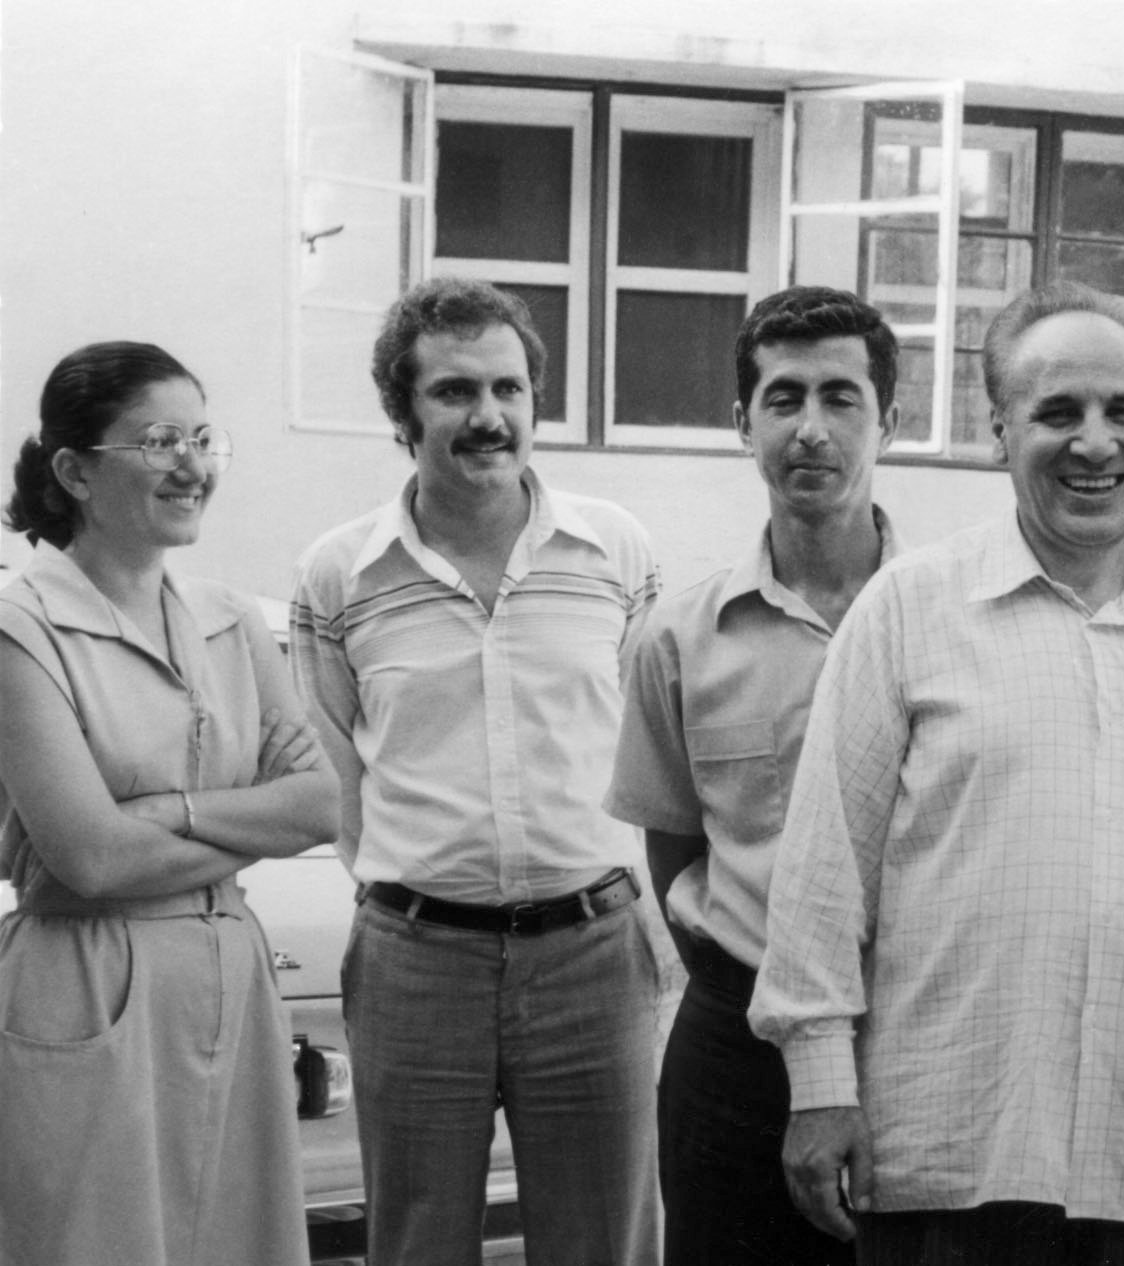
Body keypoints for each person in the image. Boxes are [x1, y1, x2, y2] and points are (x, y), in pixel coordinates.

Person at [749, 280, 1124, 1265]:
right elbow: (822, 875)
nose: (1094, 444)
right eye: (1057, 413)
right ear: (1000, 433)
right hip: (943, 1149)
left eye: (1123, 412)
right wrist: (819, 1085)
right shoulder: (908, 609)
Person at [291, 278, 662, 1266]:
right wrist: (423, 891)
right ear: (403, 413)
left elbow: (653, 750)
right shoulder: (339, 573)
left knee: (605, 1247)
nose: (488, 416)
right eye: (454, 391)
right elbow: (335, 769)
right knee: (416, 1246)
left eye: (509, 389)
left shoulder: (615, 550)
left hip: (594, 953)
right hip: (416, 961)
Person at [0, 342, 340, 1266]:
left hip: (232, 977)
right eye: (158, 441)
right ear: (75, 472)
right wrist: (249, 816)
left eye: (202, 438)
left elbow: (319, 806)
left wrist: (169, 814)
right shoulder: (21, 629)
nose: (193, 467)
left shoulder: (232, 621)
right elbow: (94, 859)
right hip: (89, 984)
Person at [605, 285, 902, 1266]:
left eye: (840, 397)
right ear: (743, 423)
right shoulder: (679, 639)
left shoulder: (948, 624)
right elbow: (673, 844)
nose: (810, 428)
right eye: (783, 398)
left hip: (913, 1034)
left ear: (888, 422)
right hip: (736, 1047)